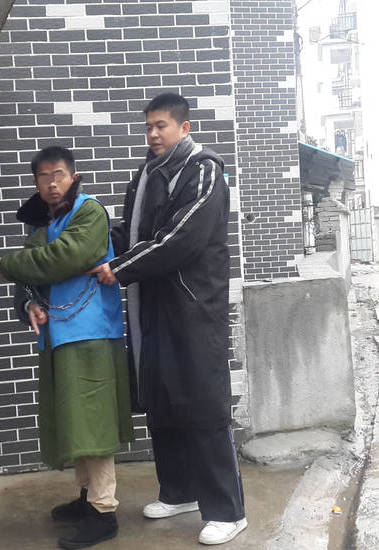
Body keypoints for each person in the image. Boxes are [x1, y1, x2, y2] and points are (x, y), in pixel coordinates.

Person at [89, 93, 248, 545]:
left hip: (194, 310)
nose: (153, 134)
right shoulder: (146, 174)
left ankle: (228, 511)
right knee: (162, 400)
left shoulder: (204, 171)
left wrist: (119, 268)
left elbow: (181, 238)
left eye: (161, 126)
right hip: (152, 308)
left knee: (203, 405)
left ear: (184, 127)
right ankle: (180, 491)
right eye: (149, 127)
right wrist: (87, 232)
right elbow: (131, 233)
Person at [0, 146, 134, 549]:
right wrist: (29, 303)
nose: (51, 183)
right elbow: (31, 274)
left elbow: (64, 258)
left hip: (91, 334)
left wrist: (8, 264)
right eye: (43, 177)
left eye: (58, 174)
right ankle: (87, 497)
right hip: (60, 334)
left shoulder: (89, 211)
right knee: (74, 419)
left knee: (93, 421)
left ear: (73, 177)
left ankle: (104, 512)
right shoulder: (46, 221)